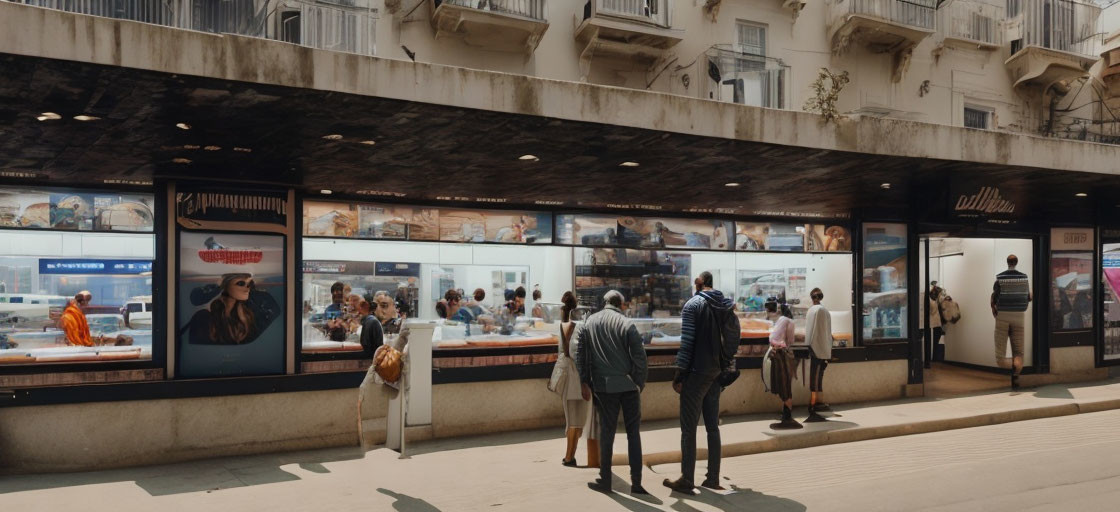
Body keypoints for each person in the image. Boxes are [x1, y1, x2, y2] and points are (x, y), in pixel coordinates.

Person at [664, 272, 740, 494]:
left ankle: (687, 479)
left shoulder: (693, 305)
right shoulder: (726, 306)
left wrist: (679, 375)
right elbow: (736, 338)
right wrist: (724, 364)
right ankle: (713, 477)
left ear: (699, 284)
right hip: (716, 372)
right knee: (712, 427)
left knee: (688, 429)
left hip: (697, 373)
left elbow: (687, 343)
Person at [574, 290, 649, 495]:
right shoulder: (627, 324)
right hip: (628, 385)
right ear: (621, 304)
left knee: (607, 433)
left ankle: (605, 480)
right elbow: (640, 358)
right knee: (633, 434)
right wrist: (638, 382)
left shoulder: (588, 323)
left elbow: (581, 355)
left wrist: (584, 382)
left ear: (604, 302)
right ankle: (637, 483)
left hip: (604, 388)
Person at [556, 291, 590, 467]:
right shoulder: (582, 327)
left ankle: (569, 457)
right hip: (581, 378)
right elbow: (580, 353)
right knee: (579, 420)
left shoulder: (561, 326)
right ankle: (571, 456)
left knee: (571, 419)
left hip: (567, 378)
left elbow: (561, 353)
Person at [992, 254, 1031, 390]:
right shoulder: (1024, 278)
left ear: (1007, 262)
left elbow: (994, 296)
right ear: (1017, 262)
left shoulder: (1000, 278)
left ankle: (1012, 368)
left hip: (1002, 317)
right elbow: (1029, 297)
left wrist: (995, 308)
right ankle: (1015, 376)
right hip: (1019, 316)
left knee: (1000, 358)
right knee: (1019, 353)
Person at [767, 298, 800, 429]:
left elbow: (773, 338)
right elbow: (791, 340)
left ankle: (787, 417)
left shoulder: (782, 320)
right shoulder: (790, 321)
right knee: (786, 385)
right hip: (786, 355)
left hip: (779, 355)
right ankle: (787, 415)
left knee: (783, 385)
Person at [804, 288, 833, 423]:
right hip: (822, 348)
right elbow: (826, 332)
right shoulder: (823, 310)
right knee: (818, 377)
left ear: (812, 298)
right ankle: (816, 404)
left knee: (814, 378)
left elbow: (811, 331)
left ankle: (815, 404)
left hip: (813, 348)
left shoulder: (811, 310)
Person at [926, 283, 944, 369]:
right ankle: (931, 358)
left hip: (937, 324)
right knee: (932, 342)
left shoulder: (936, 300)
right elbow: (932, 312)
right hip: (933, 324)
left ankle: (934, 358)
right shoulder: (930, 300)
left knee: (935, 341)